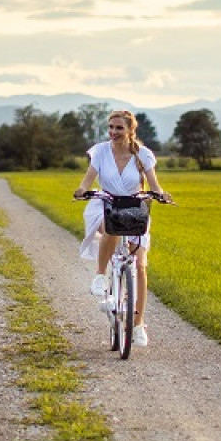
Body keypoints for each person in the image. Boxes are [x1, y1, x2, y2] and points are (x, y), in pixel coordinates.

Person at [73, 110, 169, 348]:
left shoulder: (143, 155)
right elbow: (88, 179)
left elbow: (154, 184)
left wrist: (160, 194)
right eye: (111, 128)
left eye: (119, 128)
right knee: (111, 228)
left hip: (135, 207)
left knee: (140, 265)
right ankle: (99, 276)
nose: (114, 132)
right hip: (106, 204)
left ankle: (137, 325)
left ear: (130, 131)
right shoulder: (100, 151)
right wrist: (82, 189)